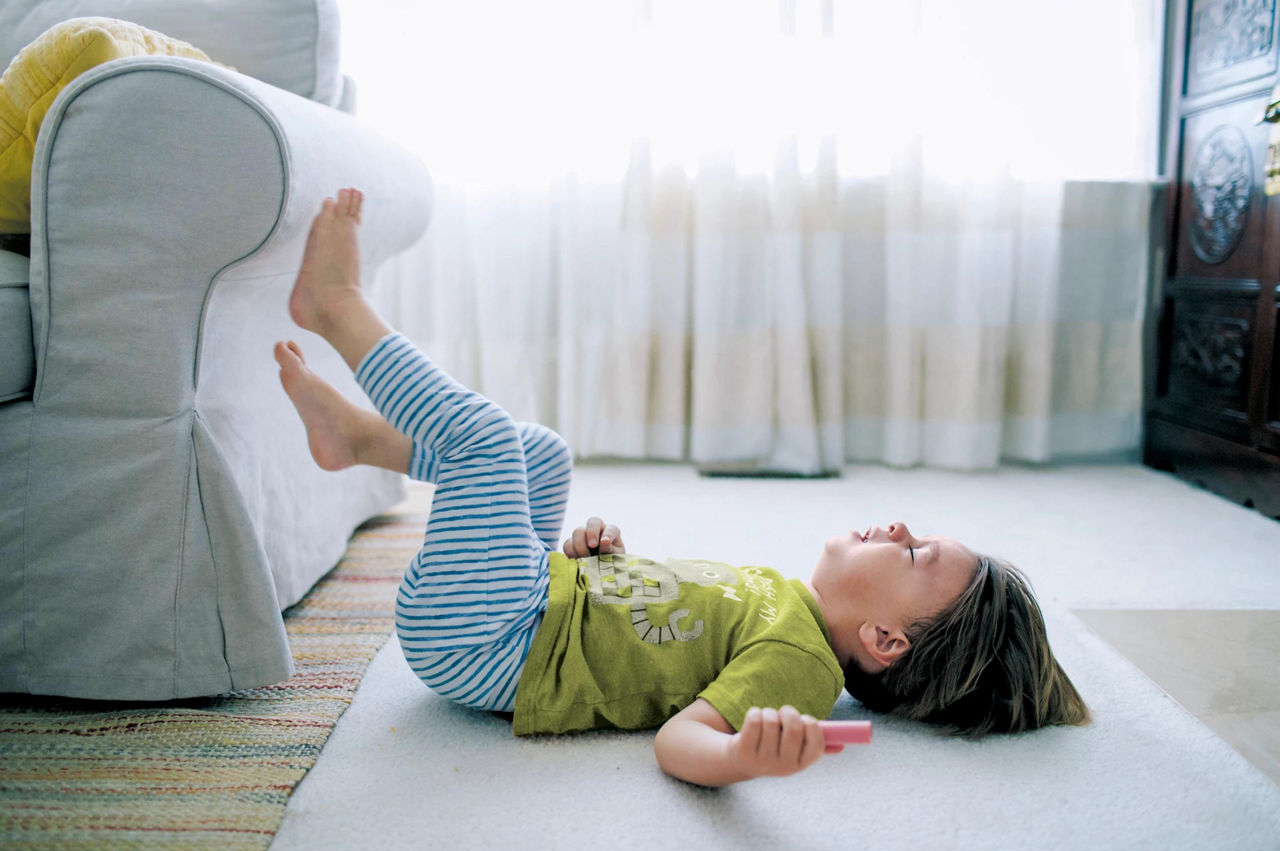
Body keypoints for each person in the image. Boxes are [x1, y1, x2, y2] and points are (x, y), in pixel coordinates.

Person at [276, 188, 1090, 788]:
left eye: (915, 552)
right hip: (536, 599)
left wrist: (740, 754)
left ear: (884, 641)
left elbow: (680, 740)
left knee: (487, 441)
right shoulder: (784, 604)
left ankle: (337, 306)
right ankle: (361, 441)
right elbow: (657, 634)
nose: (900, 526)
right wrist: (604, 565)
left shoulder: (800, 666)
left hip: (490, 642)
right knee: (544, 453)